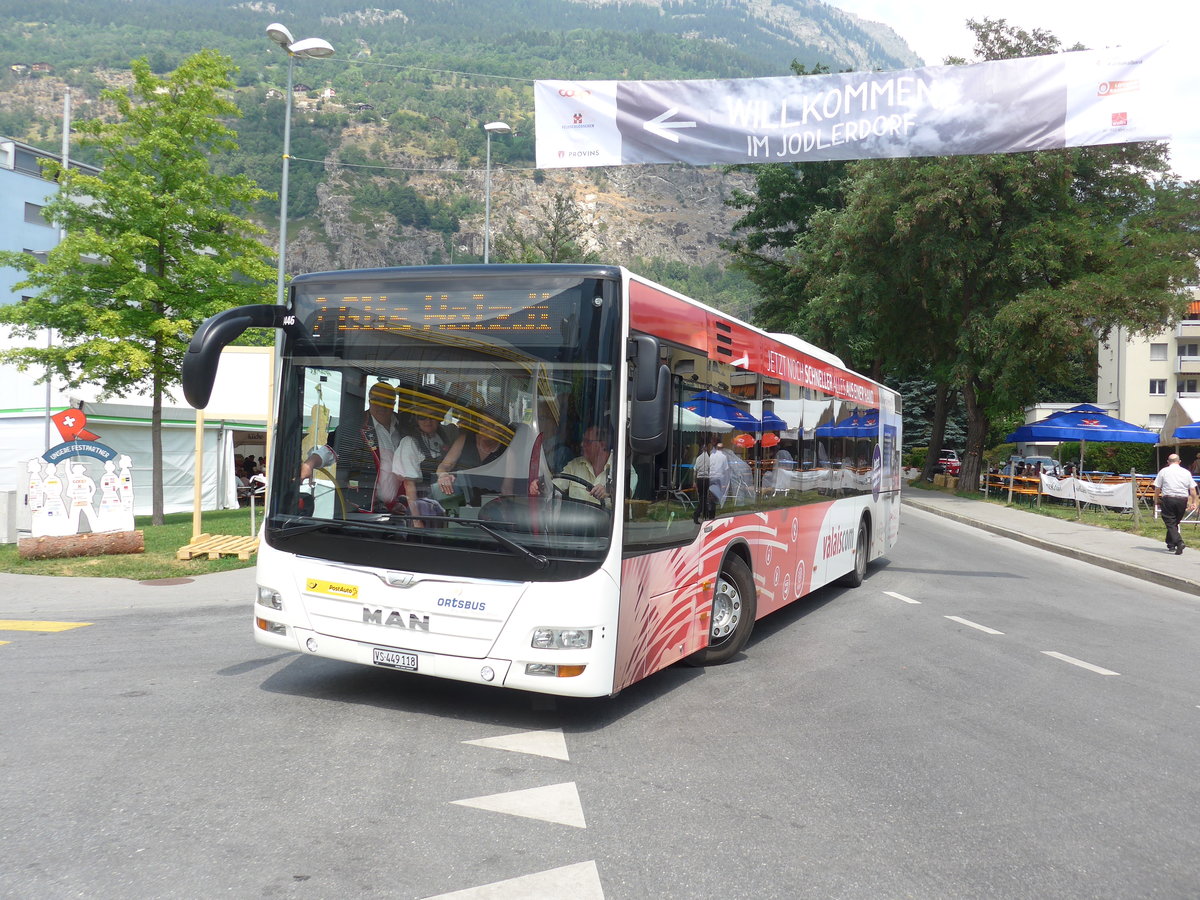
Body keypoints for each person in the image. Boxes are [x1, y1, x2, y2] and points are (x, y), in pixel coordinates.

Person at [555, 425, 637, 506]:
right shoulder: (574, 465)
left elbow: (627, 492)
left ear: (603, 444)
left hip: (609, 519)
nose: (582, 444)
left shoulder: (622, 467)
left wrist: (610, 491)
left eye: (587, 441)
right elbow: (555, 487)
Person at [394, 411, 450, 527]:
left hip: (445, 504)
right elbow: (409, 484)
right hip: (424, 509)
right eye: (422, 417)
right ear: (416, 419)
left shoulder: (444, 436)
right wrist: (416, 520)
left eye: (432, 416)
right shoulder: (409, 442)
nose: (428, 421)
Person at [435, 428, 507, 506]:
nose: (485, 428)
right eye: (483, 423)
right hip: (459, 500)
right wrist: (443, 475)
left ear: (501, 429)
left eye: (491, 425)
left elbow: (507, 489)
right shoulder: (466, 438)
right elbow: (444, 465)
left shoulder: (507, 448)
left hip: (491, 505)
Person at [361, 381, 403, 509]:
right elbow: (332, 448)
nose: (382, 406)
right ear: (369, 401)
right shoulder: (356, 423)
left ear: (394, 404)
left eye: (388, 402)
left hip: (403, 507)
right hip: (368, 509)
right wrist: (310, 464)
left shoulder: (405, 426)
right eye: (377, 400)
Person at [1153, 453, 1198, 555]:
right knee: (1175, 522)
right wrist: (1194, 502)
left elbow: (1157, 487)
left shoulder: (1163, 471)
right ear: (1179, 461)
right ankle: (1171, 543)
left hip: (1168, 498)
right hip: (1182, 499)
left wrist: (1156, 499)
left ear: (1168, 462)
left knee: (1170, 522)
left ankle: (1179, 542)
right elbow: (1192, 489)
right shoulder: (1186, 472)